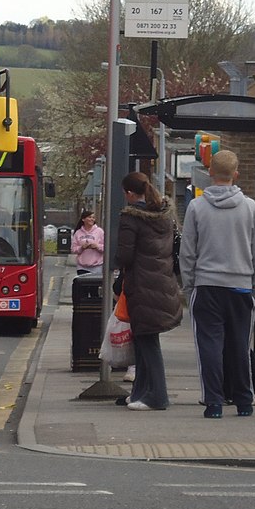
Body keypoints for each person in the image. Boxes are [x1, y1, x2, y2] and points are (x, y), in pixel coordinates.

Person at [179, 149, 255, 419]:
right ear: (236, 174)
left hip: (206, 286)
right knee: (240, 345)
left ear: (210, 174)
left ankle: (214, 402)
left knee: (209, 346)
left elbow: (187, 252)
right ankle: (244, 402)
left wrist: (189, 288)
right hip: (241, 286)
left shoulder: (196, 207)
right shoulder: (250, 207)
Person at [114, 171, 183, 411]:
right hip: (163, 284)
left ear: (130, 193)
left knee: (147, 342)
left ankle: (157, 397)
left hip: (143, 285)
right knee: (143, 340)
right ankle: (140, 392)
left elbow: (124, 255)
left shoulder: (131, 218)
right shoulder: (163, 215)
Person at [71, 209, 105, 276]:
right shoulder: (78, 233)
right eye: (89, 217)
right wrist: (82, 247)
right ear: (83, 219)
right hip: (82, 267)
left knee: (93, 286)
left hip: (97, 267)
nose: (92, 219)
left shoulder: (100, 232)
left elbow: (106, 248)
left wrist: (97, 246)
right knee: (82, 285)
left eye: (93, 217)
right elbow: (73, 249)